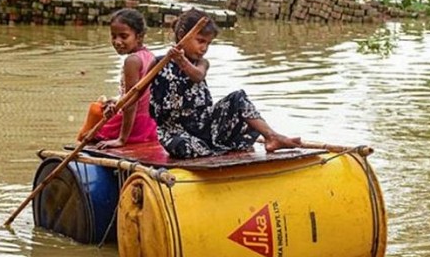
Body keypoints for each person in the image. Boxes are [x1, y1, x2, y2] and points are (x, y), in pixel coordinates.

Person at [149, 8, 301, 159]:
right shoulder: (158, 63)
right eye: (200, 41)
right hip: (175, 130)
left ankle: (271, 136)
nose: (204, 48)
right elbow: (139, 92)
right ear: (182, 36)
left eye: (208, 43)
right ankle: (210, 148)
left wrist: (182, 61)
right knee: (182, 147)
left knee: (238, 98)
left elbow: (198, 76)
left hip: (205, 123)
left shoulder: (201, 63)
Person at [76, 8, 158, 148]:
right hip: (149, 123)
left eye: (123, 36)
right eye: (114, 36)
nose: (117, 41)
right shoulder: (149, 56)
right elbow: (141, 96)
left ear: (139, 37)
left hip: (135, 126)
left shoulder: (132, 61)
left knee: (86, 137)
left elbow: (132, 102)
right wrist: (117, 102)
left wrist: (121, 139)